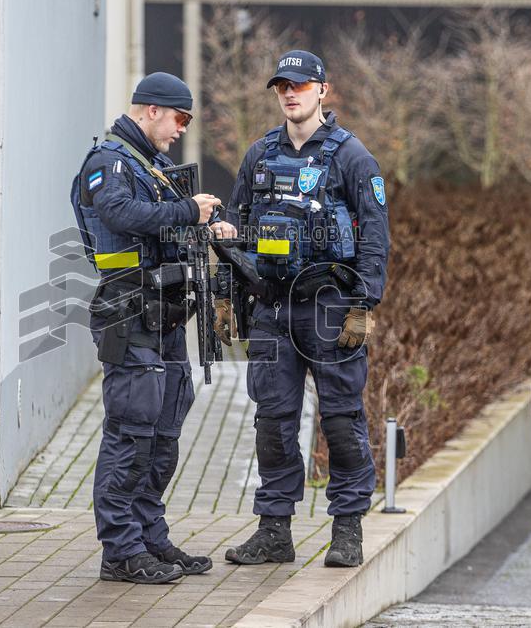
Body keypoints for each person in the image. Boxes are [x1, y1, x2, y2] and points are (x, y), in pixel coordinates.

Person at [217, 50, 390, 568]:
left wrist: (365, 305)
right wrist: (228, 294)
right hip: (272, 308)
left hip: (330, 307)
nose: (290, 94)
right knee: (273, 422)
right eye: (281, 87)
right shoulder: (259, 156)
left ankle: (348, 530)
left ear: (322, 90)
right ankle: (274, 531)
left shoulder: (352, 157)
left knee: (340, 420)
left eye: (300, 85)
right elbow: (236, 228)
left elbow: (375, 237)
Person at [70, 72, 222, 584]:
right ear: (151, 110)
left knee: (164, 429)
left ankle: (148, 536)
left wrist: (204, 224)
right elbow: (117, 211)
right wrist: (185, 209)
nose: (182, 128)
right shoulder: (109, 162)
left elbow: (163, 222)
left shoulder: (152, 166)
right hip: (130, 309)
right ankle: (120, 551)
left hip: (165, 311)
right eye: (180, 118)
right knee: (131, 433)